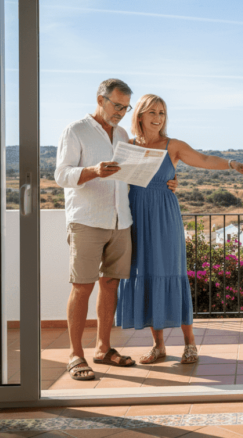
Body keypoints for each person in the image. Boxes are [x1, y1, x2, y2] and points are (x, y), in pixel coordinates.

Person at [116, 94, 243, 364]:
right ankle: (158, 346)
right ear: (140, 116)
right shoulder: (128, 146)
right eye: (153, 112)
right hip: (135, 217)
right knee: (145, 273)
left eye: (162, 113)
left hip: (164, 216)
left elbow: (203, 159)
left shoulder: (173, 146)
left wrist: (232, 164)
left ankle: (190, 343)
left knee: (171, 273)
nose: (158, 118)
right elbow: (117, 178)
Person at [55, 79, 178, 380]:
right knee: (82, 286)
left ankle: (103, 348)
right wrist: (93, 171)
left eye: (126, 107)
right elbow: (61, 174)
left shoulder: (122, 134)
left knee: (110, 285)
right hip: (87, 220)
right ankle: (75, 355)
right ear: (101, 99)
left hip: (121, 222)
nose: (122, 112)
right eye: (117, 105)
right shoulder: (76, 130)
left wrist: (168, 183)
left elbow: (136, 174)